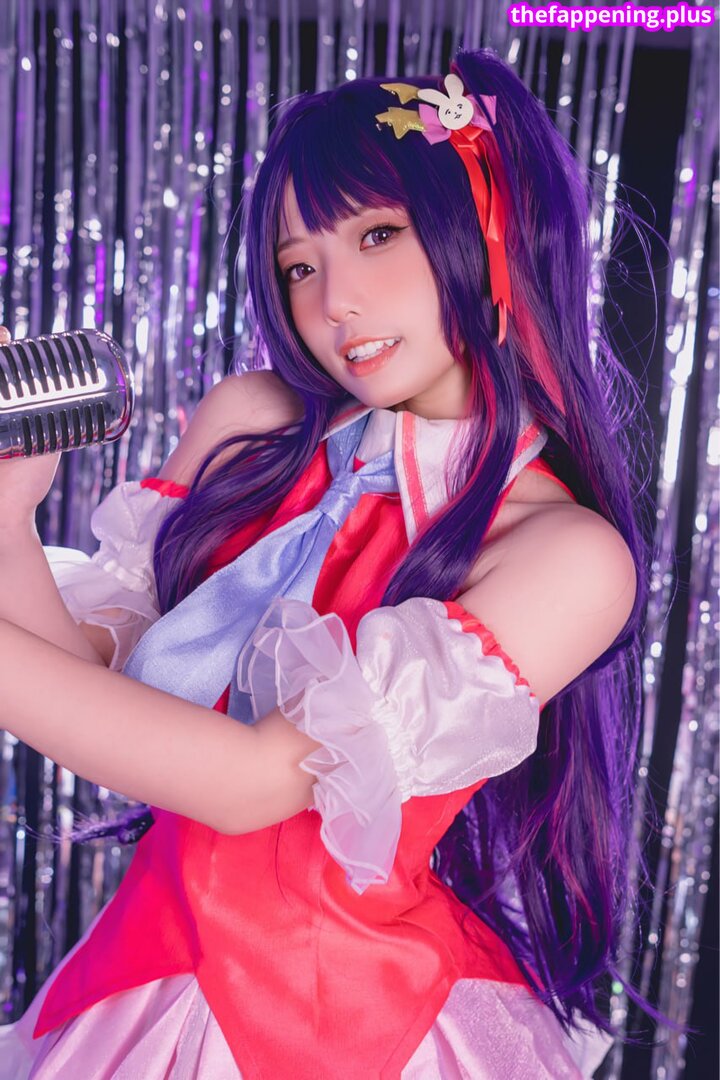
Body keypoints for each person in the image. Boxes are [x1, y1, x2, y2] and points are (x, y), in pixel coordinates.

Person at [0, 46, 648, 1079]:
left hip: (356, 1024)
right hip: (143, 973)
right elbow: (86, 686)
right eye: (300, 265)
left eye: (377, 234)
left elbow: (254, 781)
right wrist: (7, 516)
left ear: (488, 232)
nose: (333, 300)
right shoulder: (250, 427)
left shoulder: (566, 556)